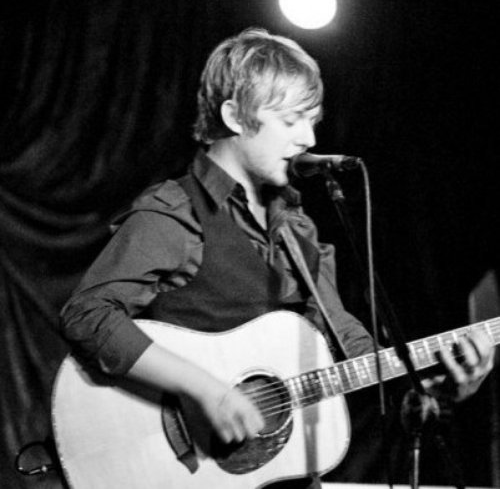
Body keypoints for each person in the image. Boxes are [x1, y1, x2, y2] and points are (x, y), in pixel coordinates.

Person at [60, 28, 494, 488]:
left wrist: (435, 387)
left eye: (313, 120)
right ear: (234, 116)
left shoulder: (297, 227)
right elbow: (87, 315)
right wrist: (205, 389)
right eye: (291, 120)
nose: (308, 138)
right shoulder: (176, 211)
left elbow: (350, 350)